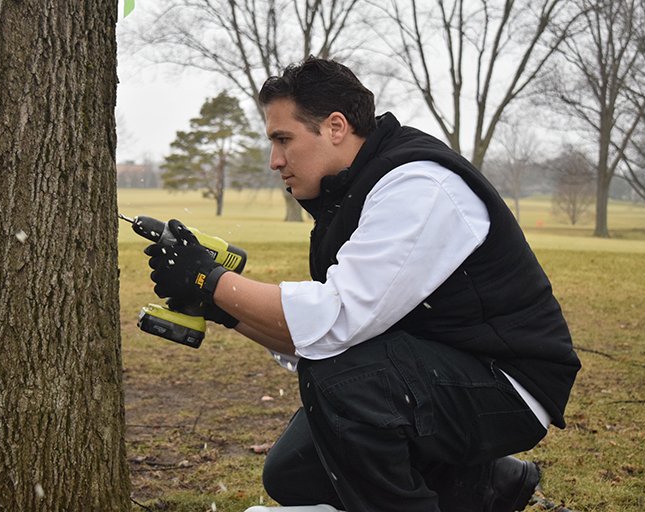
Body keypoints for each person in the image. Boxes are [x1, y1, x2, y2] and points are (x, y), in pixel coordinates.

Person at [145, 56, 581, 512]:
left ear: (336, 127)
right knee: (293, 473)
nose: (275, 161)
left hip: (507, 383)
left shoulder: (417, 184)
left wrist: (208, 279)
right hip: (442, 370)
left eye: (283, 139)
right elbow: (324, 339)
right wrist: (218, 304)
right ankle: (493, 486)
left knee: (344, 384)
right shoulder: (352, 192)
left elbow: (336, 323)